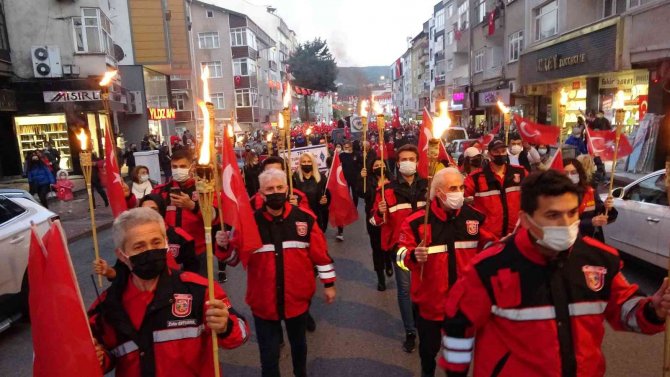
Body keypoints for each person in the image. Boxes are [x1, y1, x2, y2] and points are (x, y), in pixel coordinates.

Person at [440, 170, 669, 377]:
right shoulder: (489, 268)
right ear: (525, 220)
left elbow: (625, 309)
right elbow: (458, 328)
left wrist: (652, 310)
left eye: (571, 213)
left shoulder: (599, 260)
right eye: (552, 215)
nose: (566, 223)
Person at [88, 207, 249, 376]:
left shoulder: (200, 289)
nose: (150, 250)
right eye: (139, 246)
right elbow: (100, 356)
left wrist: (225, 326)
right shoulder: (108, 305)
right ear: (121, 255)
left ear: (166, 243)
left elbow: (240, 334)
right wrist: (98, 358)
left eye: (156, 242)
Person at [398, 168, 493, 377]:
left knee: (458, 361)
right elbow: (401, 254)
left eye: (461, 187)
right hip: (431, 306)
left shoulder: (475, 218)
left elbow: (490, 248)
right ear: (438, 192)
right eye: (453, 188)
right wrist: (413, 255)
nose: (459, 192)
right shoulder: (417, 222)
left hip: (462, 307)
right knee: (428, 352)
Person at [246, 169, 336, 377]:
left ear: (287, 189)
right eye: (270, 189)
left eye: (279, 187)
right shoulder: (249, 223)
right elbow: (233, 258)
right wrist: (224, 244)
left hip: (297, 299)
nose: (275, 192)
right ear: (260, 193)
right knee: (268, 357)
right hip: (263, 303)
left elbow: (320, 255)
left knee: (298, 345)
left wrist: (328, 284)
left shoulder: (305, 219)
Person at [372, 144, 428, 353]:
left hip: (427, 247)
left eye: (411, 158)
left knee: (425, 288)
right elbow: (375, 221)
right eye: (403, 159)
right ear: (397, 163)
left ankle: (424, 324)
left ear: (417, 161)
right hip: (401, 248)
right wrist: (379, 211)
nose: (407, 162)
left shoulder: (429, 186)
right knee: (405, 290)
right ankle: (410, 331)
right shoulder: (386, 191)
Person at [93, 194, 200, 279]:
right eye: (139, 246)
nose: (148, 214)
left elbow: (192, 270)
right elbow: (122, 273)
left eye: (156, 242)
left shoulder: (180, 237)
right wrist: (108, 271)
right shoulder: (131, 238)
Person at [465, 139, 527, 239]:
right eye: (496, 151)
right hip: (488, 237)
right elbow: (459, 198)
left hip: (516, 234)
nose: (500, 154)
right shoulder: (476, 177)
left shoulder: (520, 172)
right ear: (489, 154)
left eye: (503, 151)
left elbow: (535, 193)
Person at [563, 158, 617, 241]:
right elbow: (562, 223)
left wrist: (608, 208)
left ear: (580, 173)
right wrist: (590, 222)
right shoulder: (555, 195)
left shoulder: (589, 192)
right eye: (565, 173)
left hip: (587, 239)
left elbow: (600, 212)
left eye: (573, 172)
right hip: (565, 240)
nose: (569, 176)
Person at [360, 158, 393, 291]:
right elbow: (361, 193)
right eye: (376, 165)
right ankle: (381, 278)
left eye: (381, 165)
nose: (379, 167)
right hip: (373, 219)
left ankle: (388, 262)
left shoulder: (393, 181)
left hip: (390, 219)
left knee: (388, 245)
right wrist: (361, 178)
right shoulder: (367, 181)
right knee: (377, 248)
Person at [292, 152, 329, 232]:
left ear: (313, 163)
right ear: (300, 163)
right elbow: (291, 195)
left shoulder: (321, 178)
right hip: (301, 216)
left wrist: (325, 201)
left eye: (309, 161)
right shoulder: (294, 178)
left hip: (317, 216)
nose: (306, 164)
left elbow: (327, 196)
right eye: (304, 162)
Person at [339, 140, 362, 208]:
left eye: (347, 147)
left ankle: (355, 207)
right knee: (346, 194)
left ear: (351, 147)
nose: (346, 149)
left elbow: (361, 164)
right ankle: (348, 207)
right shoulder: (341, 155)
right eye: (345, 147)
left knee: (355, 194)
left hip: (355, 178)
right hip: (345, 179)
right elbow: (336, 164)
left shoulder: (356, 154)